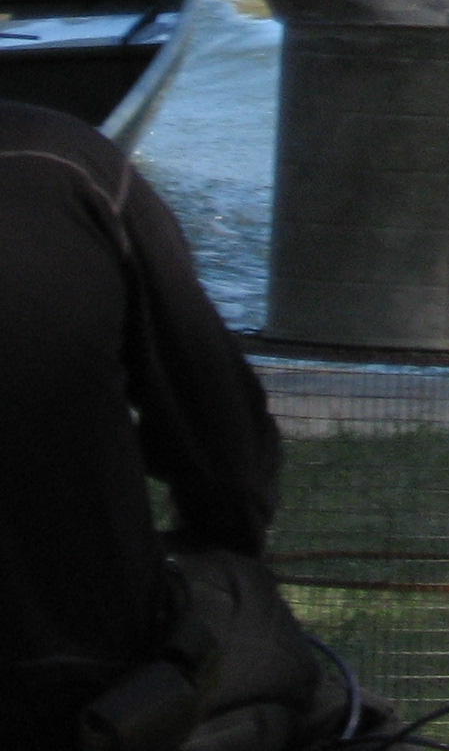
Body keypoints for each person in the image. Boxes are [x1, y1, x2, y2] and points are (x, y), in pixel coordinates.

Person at [0, 100, 358, 751]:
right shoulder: (69, 166)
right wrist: (221, 550)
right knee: (245, 612)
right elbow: (225, 448)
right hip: (81, 679)